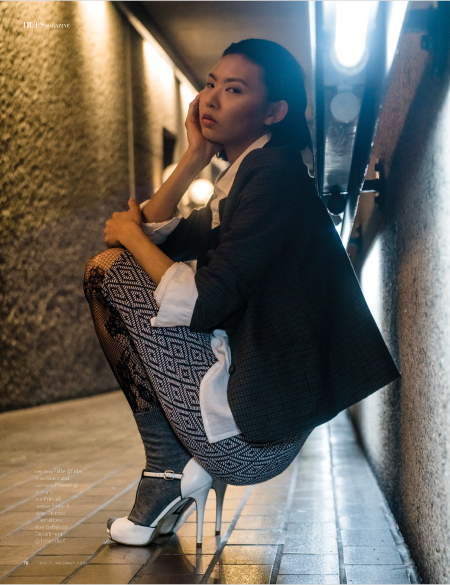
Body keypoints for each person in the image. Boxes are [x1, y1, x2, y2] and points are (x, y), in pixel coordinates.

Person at [83, 38, 400, 547]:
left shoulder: (272, 177)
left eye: (234, 90)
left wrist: (134, 237)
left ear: (274, 112)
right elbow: (153, 234)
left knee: (107, 272)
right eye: (210, 84)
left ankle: (168, 468)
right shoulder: (250, 175)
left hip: (251, 437)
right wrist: (193, 157)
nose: (211, 98)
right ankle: (169, 470)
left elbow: (203, 300)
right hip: (254, 422)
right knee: (117, 265)